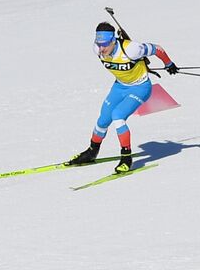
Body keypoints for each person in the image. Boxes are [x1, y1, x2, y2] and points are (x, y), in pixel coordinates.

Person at [67, 22, 178, 174]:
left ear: (113, 41)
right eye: (98, 44)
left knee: (118, 116)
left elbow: (157, 48)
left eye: (105, 44)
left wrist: (169, 63)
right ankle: (92, 152)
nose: (101, 49)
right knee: (103, 119)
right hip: (120, 86)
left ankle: (126, 158)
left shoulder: (132, 49)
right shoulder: (97, 50)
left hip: (140, 88)